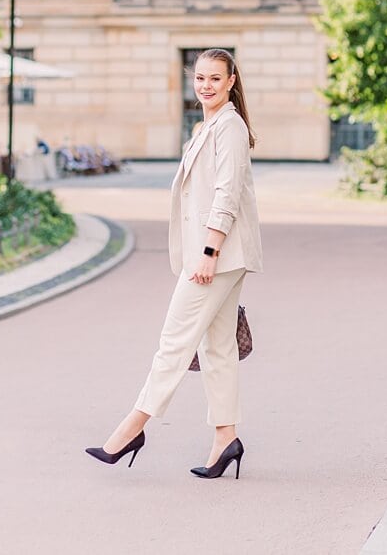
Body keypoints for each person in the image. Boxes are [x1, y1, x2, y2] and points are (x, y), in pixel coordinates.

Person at [86, 48, 262, 479]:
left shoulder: (230, 128)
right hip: (216, 255)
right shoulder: (209, 126)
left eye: (215, 79)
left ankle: (133, 427)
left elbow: (227, 194)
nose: (206, 86)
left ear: (231, 81)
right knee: (216, 349)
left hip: (216, 256)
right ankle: (226, 440)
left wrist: (208, 251)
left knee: (174, 342)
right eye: (200, 78)